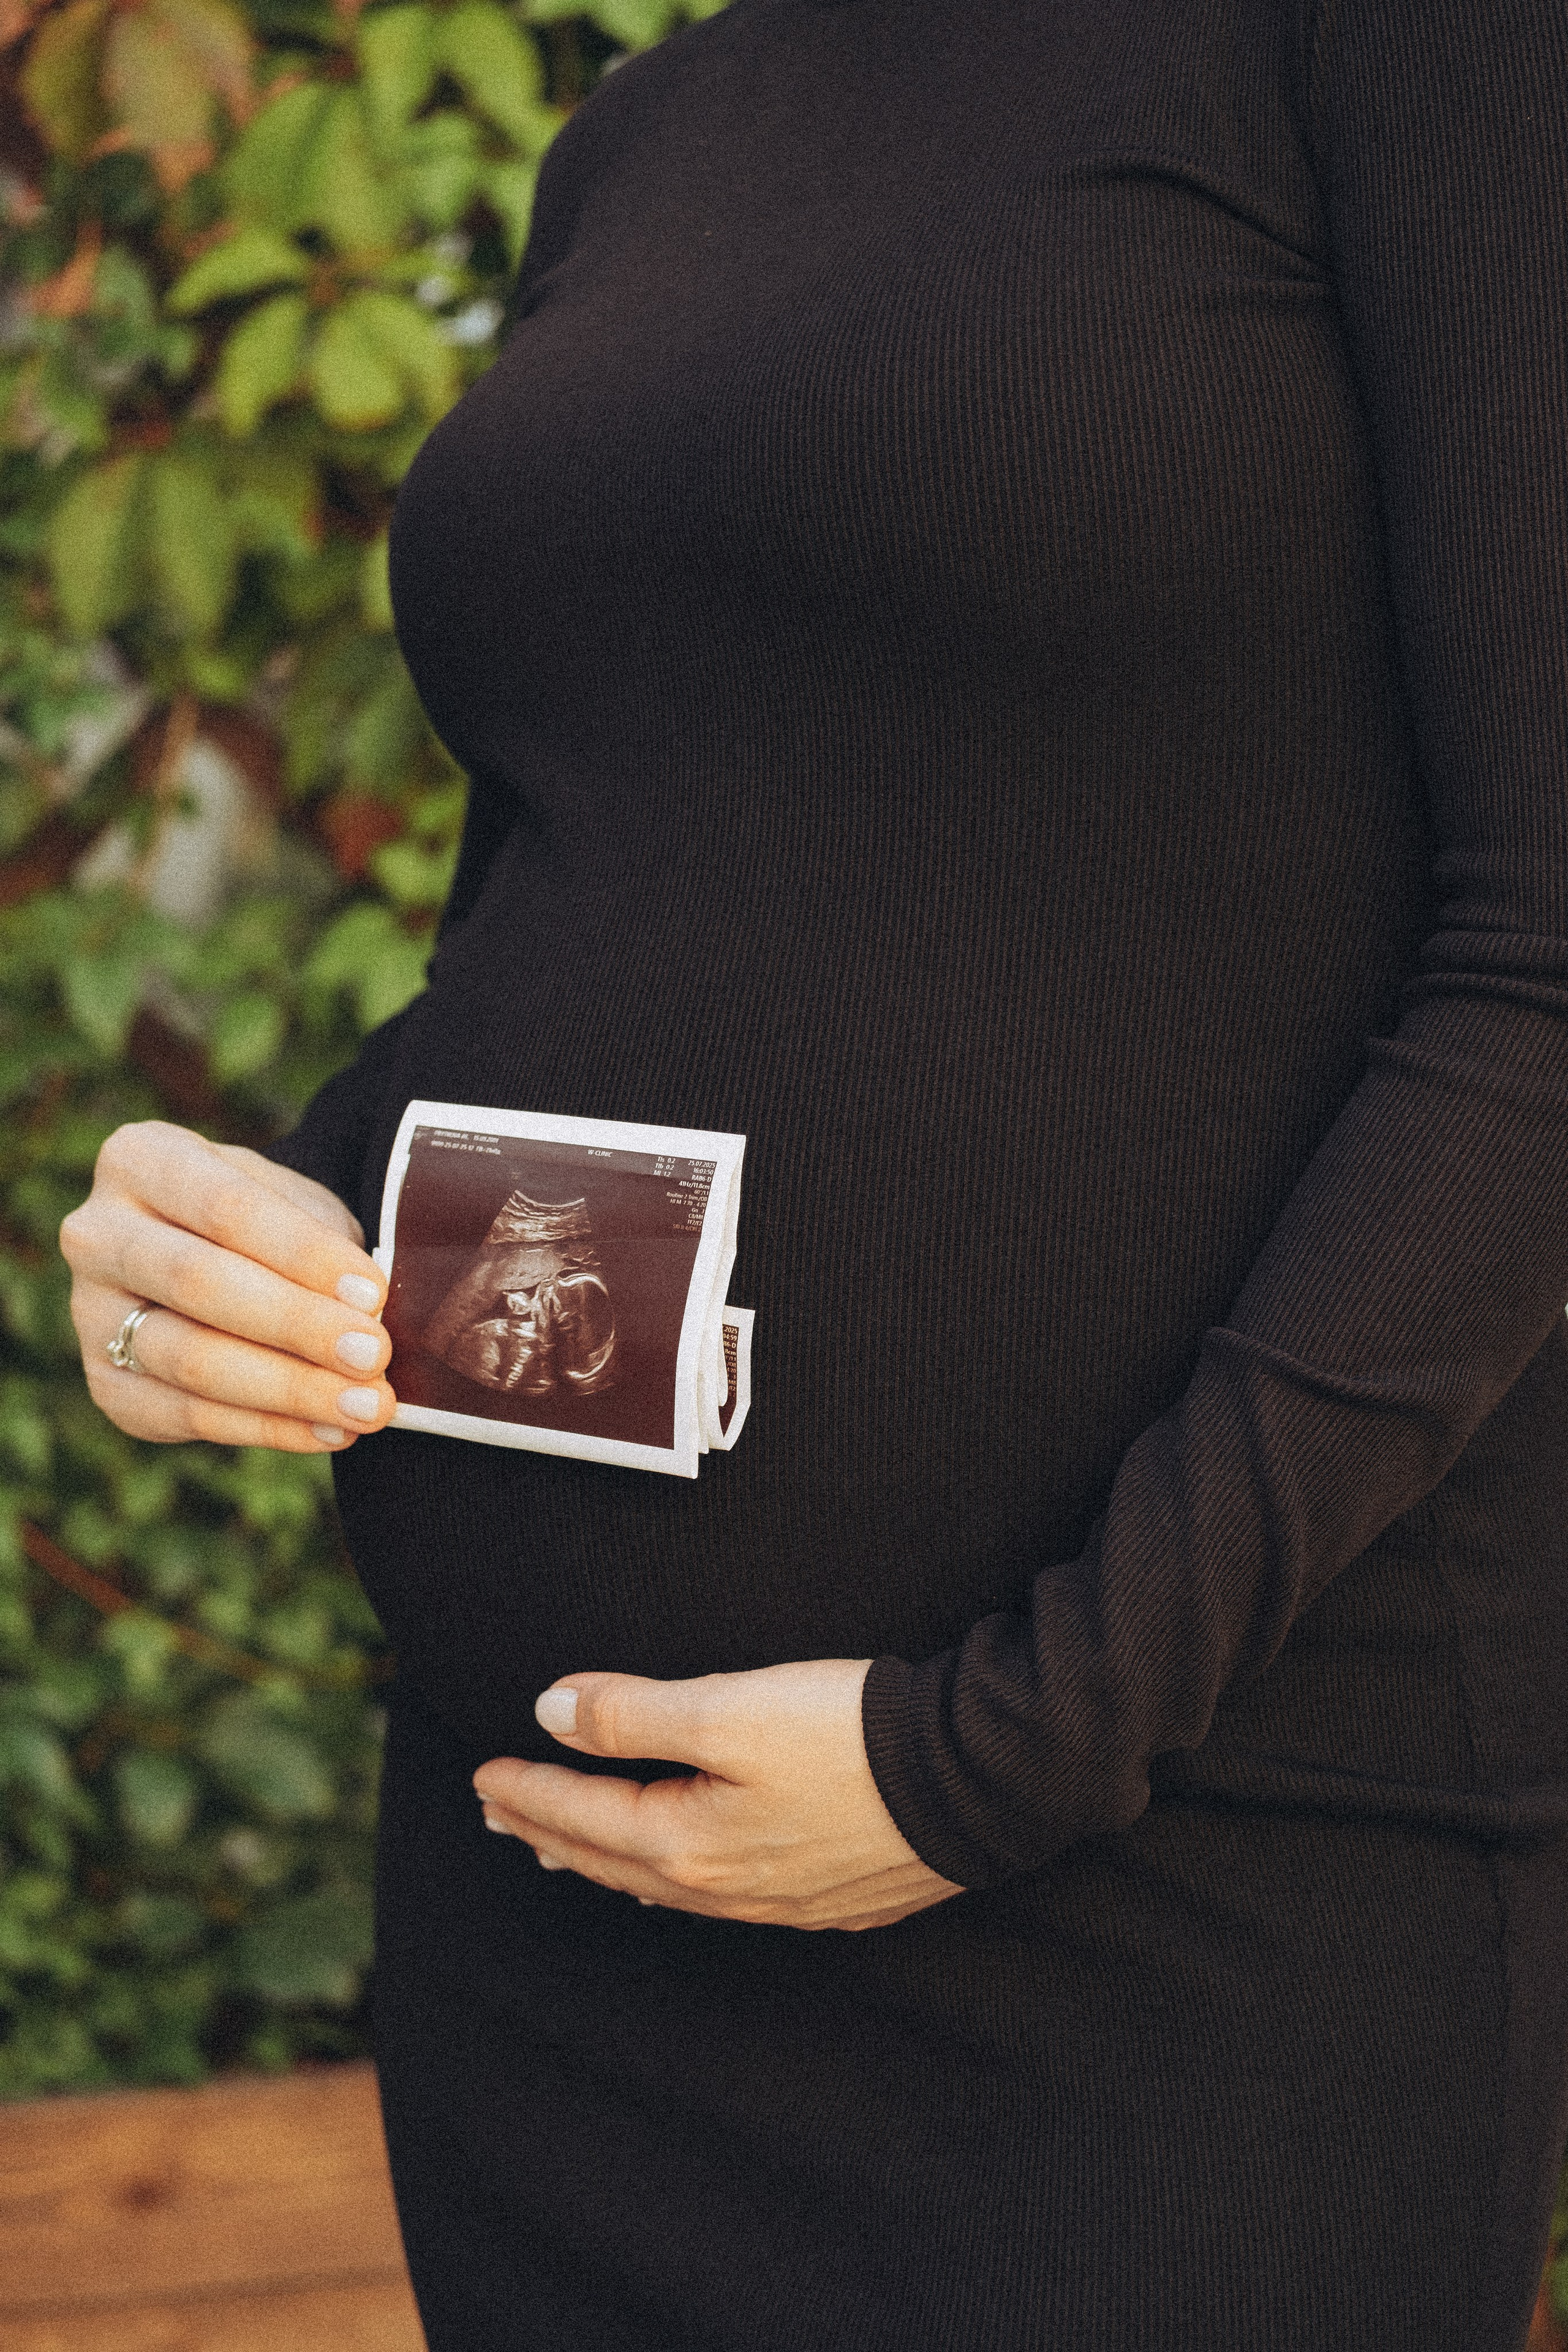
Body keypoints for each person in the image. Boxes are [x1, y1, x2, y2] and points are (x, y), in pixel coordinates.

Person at [60, 0, 1568, 2342]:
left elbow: (1544, 963)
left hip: (1188, 1866)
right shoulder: (655, 127)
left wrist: (1002, 1750)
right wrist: (270, 1222)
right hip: (553, 1879)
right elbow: (609, 902)